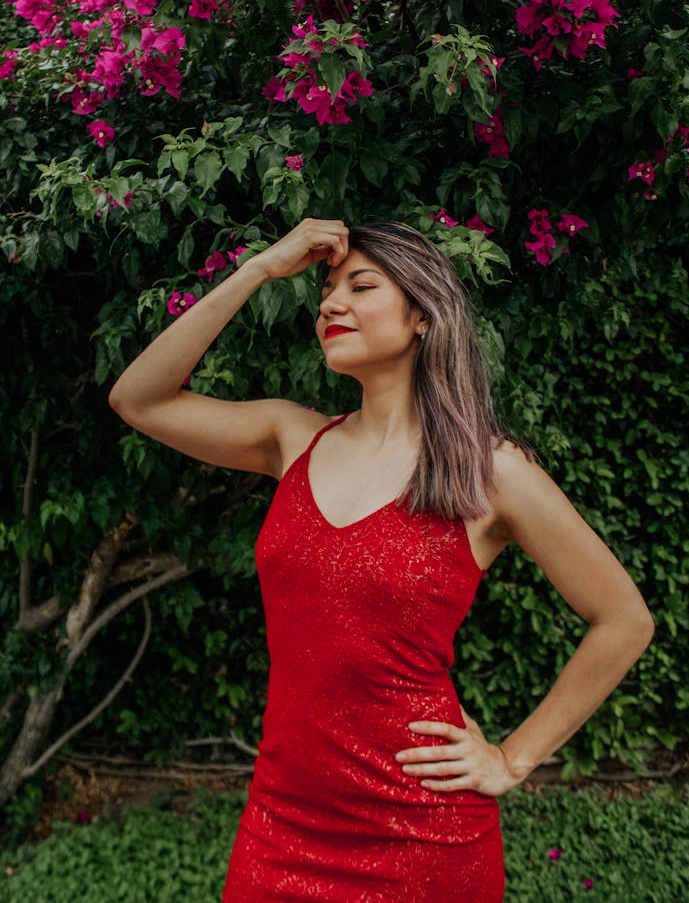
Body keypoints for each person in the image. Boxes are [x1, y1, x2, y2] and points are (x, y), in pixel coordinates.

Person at [109, 216, 654, 902]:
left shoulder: (490, 474)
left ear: (423, 314)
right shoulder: (290, 438)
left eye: (360, 285)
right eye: (327, 291)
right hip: (280, 824)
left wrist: (513, 758)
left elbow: (623, 620)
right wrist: (260, 269)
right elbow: (139, 398)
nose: (331, 302)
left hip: (421, 835)